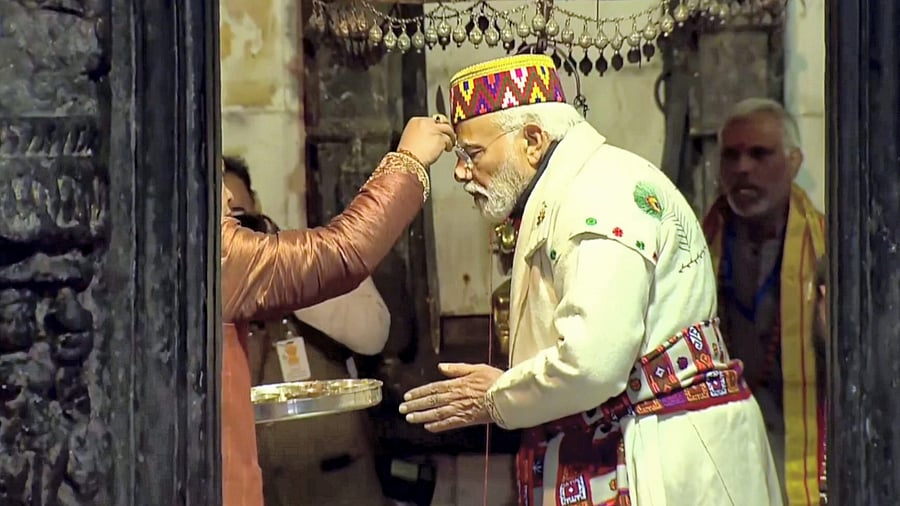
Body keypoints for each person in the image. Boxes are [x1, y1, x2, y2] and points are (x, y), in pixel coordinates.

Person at [399, 54, 781, 506]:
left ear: (533, 141)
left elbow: (592, 364)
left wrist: (497, 398)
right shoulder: (580, 185)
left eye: (473, 154)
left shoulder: (598, 194)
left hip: (670, 452)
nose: (461, 172)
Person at [220, 116, 455, 506]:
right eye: (218, 185)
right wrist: (409, 161)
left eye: (240, 207)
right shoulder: (218, 261)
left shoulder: (268, 257)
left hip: (339, 482)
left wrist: (281, 272)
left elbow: (371, 327)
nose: (228, 198)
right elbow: (344, 251)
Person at [702, 98, 826, 505]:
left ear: (794, 162)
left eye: (759, 154)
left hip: (803, 444)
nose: (743, 168)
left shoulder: (829, 249)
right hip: (725, 444)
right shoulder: (695, 246)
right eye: (732, 155)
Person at [223, 156, 391, 355]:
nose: (232, 232)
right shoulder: (206, 283)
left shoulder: (312, 250)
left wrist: (281, 270)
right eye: (222, 222)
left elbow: (372, 333)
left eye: (239, 215)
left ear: (256, 203)